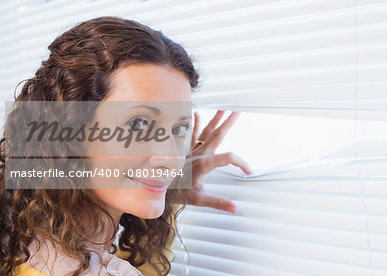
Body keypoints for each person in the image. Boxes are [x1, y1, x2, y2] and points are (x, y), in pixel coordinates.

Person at [0, 16, 252, 276]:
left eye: (178, 129)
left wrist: (170, 190)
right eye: (138, 124)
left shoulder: (43, 248)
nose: (171, 159)